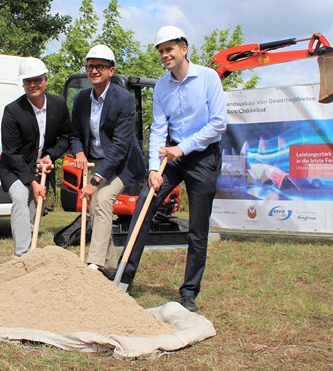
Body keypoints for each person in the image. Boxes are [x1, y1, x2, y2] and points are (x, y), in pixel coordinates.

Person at [115, 25, 227, 313]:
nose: (165, 55)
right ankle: (123, 281)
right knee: (144, 204)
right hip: (171, 156)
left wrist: (184, 147)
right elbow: (158, 129)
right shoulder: (162, 86)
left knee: (198, 227)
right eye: (161, 51)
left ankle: (189, 292)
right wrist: (154, 169)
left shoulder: (208, 78)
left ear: (184, 48)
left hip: (203, 156)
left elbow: (218, 124)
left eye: (170, 49)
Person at [71, 44, 146, 273]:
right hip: (96, 159)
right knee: (94, 210)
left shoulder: (123, 99)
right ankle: (111, 268)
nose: (94, 71)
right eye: (91, 66)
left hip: (122, 164)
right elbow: (74, 134)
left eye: (100, 67)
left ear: (111, 71)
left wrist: (95, 182)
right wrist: (80, 152)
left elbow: (121, 146)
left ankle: (93, 264)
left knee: (102, 200)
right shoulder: (81, 98)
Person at [0, 57, 71, 257]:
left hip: (40, 167)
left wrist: (50, 156)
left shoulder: (59, 105)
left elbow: (65, 138)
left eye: (37, 79)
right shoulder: (12, 111)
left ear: (46, 80)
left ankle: (29, 248)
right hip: (14, 169)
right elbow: (11, 152)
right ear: (22, 84)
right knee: (21, 198)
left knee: (33, 207)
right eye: (28, 81)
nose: (33, 85)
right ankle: (22, 255)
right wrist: (32, 182)